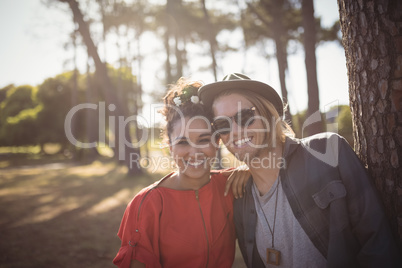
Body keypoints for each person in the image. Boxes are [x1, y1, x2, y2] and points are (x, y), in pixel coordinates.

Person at [198, 73, 400, 267]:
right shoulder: (241, 197)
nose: (235, 131)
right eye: (222, 125)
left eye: (244, 117)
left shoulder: (328, 152)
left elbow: (377, 244)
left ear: (269, 116)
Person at [113, 79, 248, 268]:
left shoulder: (232, 183)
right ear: (169, 147)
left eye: (203, 140)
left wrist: (249, 170)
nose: (194, 153)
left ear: (216, 142)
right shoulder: (146, 204)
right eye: (183, 143)